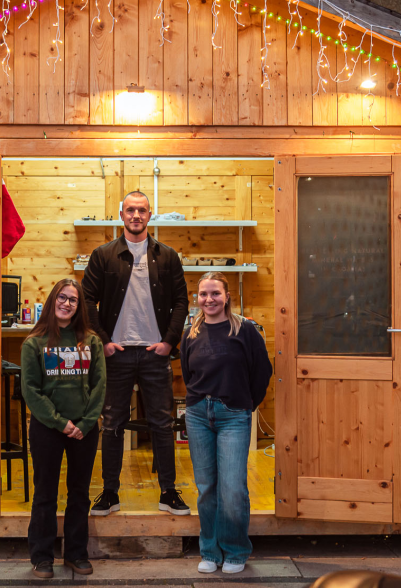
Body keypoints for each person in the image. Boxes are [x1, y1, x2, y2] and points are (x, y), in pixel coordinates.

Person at [82, 191, 191, 516]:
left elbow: (182, 302)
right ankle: (110, 493)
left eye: (141, 210)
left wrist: (170, 341)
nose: (136, 215)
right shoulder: (103, 255)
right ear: (121, 214)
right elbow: (87, 299)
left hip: (155, 353)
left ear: (149, 214)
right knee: (113, 422)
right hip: (116, 354)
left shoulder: (167, 256)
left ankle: (168, 492)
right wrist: (102, 339)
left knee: (161, 423)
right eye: (130, 210)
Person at [179, 272, 273, 574]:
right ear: (198, 297)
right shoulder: (190, 333)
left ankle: (235, 550)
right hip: (197, 415)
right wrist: (197, 402)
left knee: (232, 487)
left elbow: (263, 372)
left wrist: (246, 403)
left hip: (234, 415)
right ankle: (210, 550)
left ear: (227, 296)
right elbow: (187, 372)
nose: (209, 299)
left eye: (215, 293)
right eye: (204, 294)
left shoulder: (245, 330)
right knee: (206, 487)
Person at [19, 278, 106, 580]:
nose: (67, 304)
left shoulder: (91, 342)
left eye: (73, 300)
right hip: (47, 428)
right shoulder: (34, 343)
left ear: (79, 306)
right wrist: (59, 421)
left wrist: (85, 423)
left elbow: (99, 387)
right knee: (45, 493)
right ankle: (42, 557)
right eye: (62, 298)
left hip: (84, 429)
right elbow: (31, 390)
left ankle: (76, 554)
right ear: (52, 300)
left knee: (79, 493)